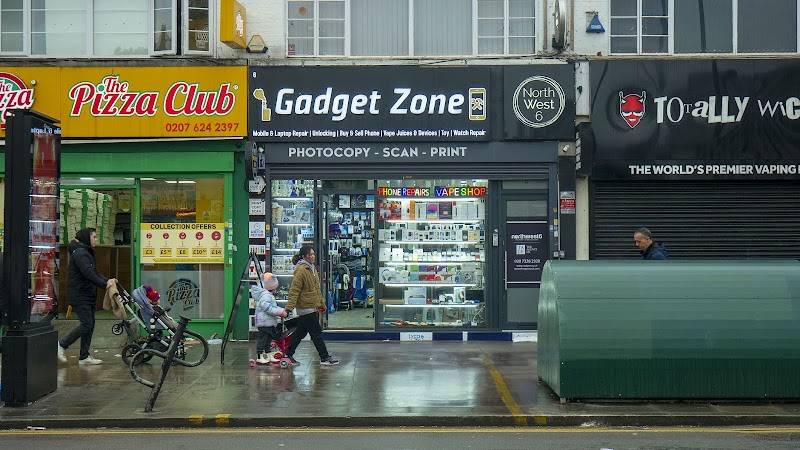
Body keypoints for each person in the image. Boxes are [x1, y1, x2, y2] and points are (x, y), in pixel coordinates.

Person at [58, 228, 117, 365]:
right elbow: (88, 274)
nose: (96, 239)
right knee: (87, 324)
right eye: (94, 237)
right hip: (80, 294)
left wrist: (108, 281)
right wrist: (105, 284)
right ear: (86, 238)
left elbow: (95, 272)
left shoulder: (87, 252)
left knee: (90, 324)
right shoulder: (80, 254)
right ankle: (62, 345)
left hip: (87, 294)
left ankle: (84, 356)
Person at [283, 244, 339, 366]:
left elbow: (316, 290)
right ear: (304, 256)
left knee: (301, 332)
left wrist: (321, 304)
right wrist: (289, 307)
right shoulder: (301, 270)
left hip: (311, 306)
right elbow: (294, 290)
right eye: (310, 254)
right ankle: (324, 357)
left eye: (314, 254)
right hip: (305, 307)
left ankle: (288, 353)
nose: (313, 256)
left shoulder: (311, 268)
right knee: (316, 332)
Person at [251, 272, 287, 364]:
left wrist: (281, 310)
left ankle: (268, 355)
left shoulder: (268, 295)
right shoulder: (266, 295)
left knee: (268, 340)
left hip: (267, 321)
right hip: (264, 322)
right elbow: (268, 308)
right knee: (263, 340)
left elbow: (272, 307)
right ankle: (259, 355)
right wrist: (280, 312)